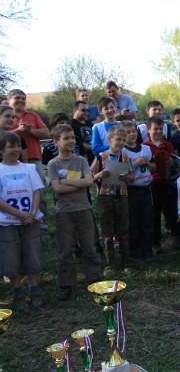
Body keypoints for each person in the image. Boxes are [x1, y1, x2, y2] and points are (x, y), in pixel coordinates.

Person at [47, 125, 102, 301]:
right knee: (65, 251)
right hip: (65, 212)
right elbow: (56, 188)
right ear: (56, 142)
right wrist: (78, 181)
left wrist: (66, 182)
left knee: (89, 247)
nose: (71, 141)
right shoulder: (53, 164)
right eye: (66, 138)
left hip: (83, 209)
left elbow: (89, 182)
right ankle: (66, 285)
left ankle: (94, 280)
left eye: (72, 137)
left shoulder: (81, 161)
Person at [0, 131, 44, 310]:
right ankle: (18, 293)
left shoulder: (28, 168)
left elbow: (37, 191)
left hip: (30, 221)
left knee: (32, 256)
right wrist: (20, 215)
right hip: (8, 223)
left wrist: (31, 213)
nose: (16, 149)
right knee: (11, 258)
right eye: (11, 146)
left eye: (18, 146)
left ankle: (34, 290)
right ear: (1, 150)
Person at [91, 126, 133, 274]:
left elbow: (131, 176)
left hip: (121, 196)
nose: (121, 142)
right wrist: (100, 175)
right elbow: (90, 177)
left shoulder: (126, 157)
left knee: (123, 231)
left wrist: (127, 178)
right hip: (105, 197)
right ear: (109, 140)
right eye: (118, 139)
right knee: (107, 233)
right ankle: (109, 264)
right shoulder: (101, 157)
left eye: (123, 140)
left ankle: (126, 262)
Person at [8, 89, 51, 226]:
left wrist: (30, 130)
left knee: (38, 189)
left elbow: (46, 133)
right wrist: (19, 131)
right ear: (9, 99)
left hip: (33, 158)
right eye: (17, 98)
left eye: (23, 98)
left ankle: (41, 220)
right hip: (10, 161)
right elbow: (2, 136)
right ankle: (15, 218)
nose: (21, 100)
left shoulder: (32, 115)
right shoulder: (6, 116)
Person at [143, 116, 180, 254]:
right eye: (155, 129)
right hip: (153, 183)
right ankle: (156, 242)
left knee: (172, 211)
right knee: (155, 213)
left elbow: (176, 164)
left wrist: (168, 157)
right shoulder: (145, 146)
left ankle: (177, 236)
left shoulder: (168, 144)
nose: (158, 131)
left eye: (161, 129)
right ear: (148, 130)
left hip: (169, 182)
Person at [122, 121, 156, 261]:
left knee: (147, 220)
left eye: (133, 131)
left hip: (146, 188)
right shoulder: (122, 151)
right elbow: (121, 173)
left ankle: (147, 250)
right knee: (133, 222)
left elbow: (154, 168)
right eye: (128, 132)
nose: (131, 134)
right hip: (131, 190)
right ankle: (134, 252)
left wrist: (147, 163)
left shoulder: (145, 149)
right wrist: (135, 164)